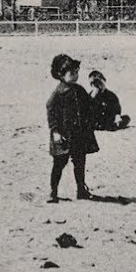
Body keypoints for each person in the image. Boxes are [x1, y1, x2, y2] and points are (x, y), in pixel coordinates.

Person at [46, 53, 98, 203]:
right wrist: (55, 131)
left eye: (77, 72)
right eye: (71, 73)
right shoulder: (58, 93)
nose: (75, 76)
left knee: (80, 162)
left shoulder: (79, 90)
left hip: (78, 134)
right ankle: (53, 191)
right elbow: (51, 111)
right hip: (63, 134)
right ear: (61, 75)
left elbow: (88, 105)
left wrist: (94, 94)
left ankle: (81, 189)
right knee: (59, 163)